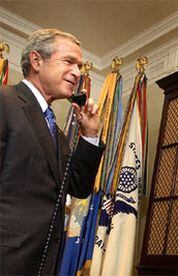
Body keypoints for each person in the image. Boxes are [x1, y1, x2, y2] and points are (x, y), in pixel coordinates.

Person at [0, 29, 104, 275]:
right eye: (69, 61)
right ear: (37, 61)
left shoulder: (55, 131)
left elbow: (77, 187)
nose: (77, 72)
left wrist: (89, 135)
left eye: (79, 65)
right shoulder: (5, 102)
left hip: (43, 262)